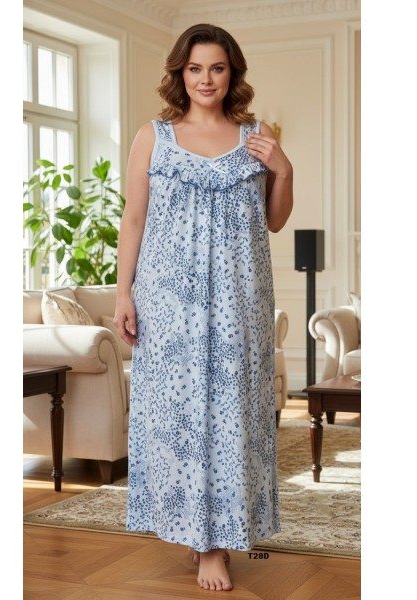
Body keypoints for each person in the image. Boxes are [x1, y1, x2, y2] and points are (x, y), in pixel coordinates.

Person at [114, 23, 293, 592]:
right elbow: (134, 219)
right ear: (180, 73)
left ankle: (217, 541)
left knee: (232, 414)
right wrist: (123, 293)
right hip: (169, 300)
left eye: (217, 68)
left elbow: (275, 220)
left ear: (232, 73)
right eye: (195, 69)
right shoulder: (153, 136)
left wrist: (283, 169)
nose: (206, 79)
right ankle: (199, 538)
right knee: (179, 417)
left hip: (240, 299)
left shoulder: (257, 136)